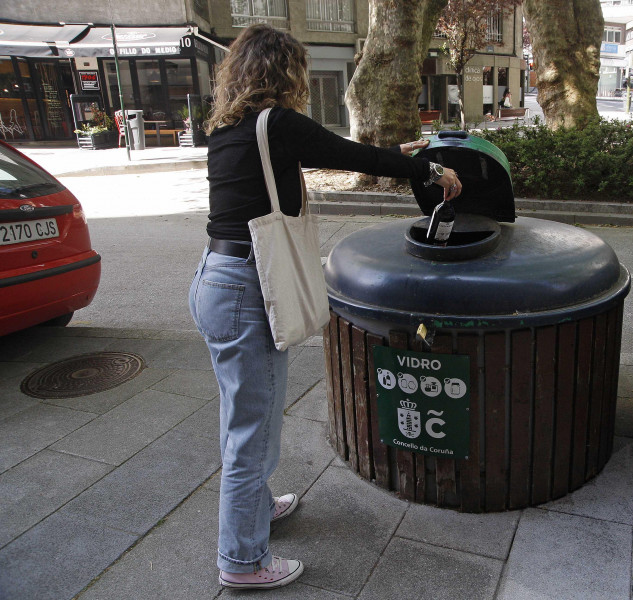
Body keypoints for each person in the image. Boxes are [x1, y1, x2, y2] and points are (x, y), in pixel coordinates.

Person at [188, 24, 461, 591]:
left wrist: (397, 155)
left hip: (217, 281)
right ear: (284, 71)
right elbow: (346, 154)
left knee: (244, 419)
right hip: (246, 289)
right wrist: (430, 169)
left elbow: (339, 154)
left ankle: (255, 510)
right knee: (251, 431)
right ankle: (241, 561)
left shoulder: (227, 128)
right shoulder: (277, 124)